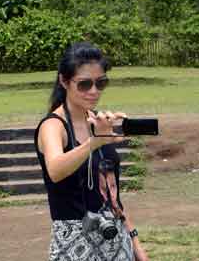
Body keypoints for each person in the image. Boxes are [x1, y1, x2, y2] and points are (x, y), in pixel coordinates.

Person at [34, 41, 149, 261]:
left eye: (101, 83)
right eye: (85, 84)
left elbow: (113, 197)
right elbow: (55, 170)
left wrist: (136, 245)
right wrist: (94, 142)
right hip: (75, 246)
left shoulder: (97, 122)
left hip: (116, 241)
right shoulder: (54, 126)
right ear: (64, 81)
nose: (94, 91)